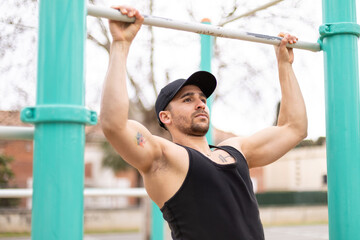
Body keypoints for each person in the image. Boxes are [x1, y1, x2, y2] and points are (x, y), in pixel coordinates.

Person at [100, 5, 307, 240]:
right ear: (165, 117)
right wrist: (120, 44)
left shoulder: (237, 150)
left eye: (202, 99)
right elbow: (114, 125)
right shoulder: (164, 158)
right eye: (187, 99)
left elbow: (294, 128)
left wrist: (285, 66)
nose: (200, 104)